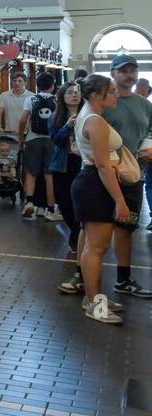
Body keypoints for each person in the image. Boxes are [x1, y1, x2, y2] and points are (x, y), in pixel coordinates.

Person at [72, 75, 131, 323]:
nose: (116, 95)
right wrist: (120, 201)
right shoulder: (94, 121)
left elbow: (92, 156)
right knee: (96, 248)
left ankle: (93, 298)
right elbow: (103, 167)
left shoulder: (87, 115)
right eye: (112, 91)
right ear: (96, 95)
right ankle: (94, 304)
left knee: (92, 246)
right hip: (96, 185)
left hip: (92, 182)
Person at [98, 54, 152, 294]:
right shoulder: (103, 103)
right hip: (102, 175)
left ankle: (123, 279)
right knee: (92, 228)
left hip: (132, 175)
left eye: (133, 70)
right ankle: (82, 274)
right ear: (113, 74)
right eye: (124, 71)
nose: (130, 75)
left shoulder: (144, 105)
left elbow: (150, 131)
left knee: (126, 228)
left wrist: (149, 147)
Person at [52, 82, 86, 293]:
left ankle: (76, 239)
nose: (74, 96)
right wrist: (67, 126)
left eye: (77, 93)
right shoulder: (57, 117)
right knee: (64, 203)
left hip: (82, 165)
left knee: (79, 205)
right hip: (62, 165)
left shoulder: (88, 115)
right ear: (63, 97)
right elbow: (55, 139)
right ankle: (76, 234)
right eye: (70, 93)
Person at [18, 71, 63, 221]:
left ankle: (29, 202)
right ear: (53, 85)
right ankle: (50, 209)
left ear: (37, 85)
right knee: (49, 176)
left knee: (31, 172)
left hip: (32, 139)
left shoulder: (31, 99)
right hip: (52, 140)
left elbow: (23, 120)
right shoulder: (58, 100)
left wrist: (21, 138)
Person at [0, 72, 30, 136]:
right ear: (12, 82)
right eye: (14, 81)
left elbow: (32, 117)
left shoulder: (31, 96)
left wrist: (21, 129)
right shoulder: (4, 95)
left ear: (25, 82)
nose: (17, 83)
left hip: (27, 134)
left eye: (20, 81)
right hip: (9, 133)